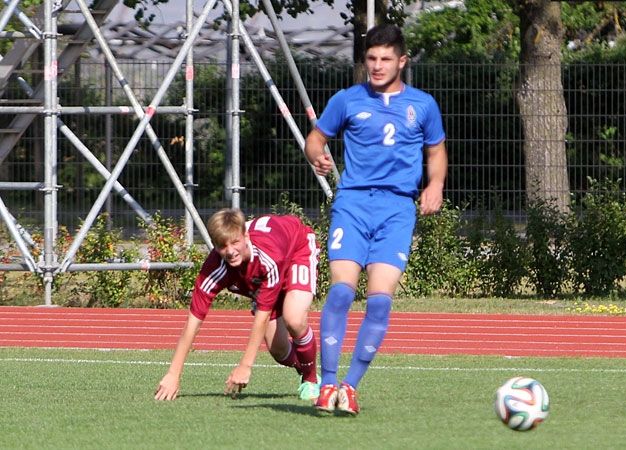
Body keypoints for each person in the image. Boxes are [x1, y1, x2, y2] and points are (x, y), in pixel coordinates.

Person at [304, 24, 448, 415]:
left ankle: (350, 387)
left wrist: (435, 185)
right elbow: (316, 138)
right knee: (341, 292)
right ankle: (327, 381)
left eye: (386, 59)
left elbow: (436, 152)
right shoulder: (348, 100)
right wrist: (314, 154)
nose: (378, 66)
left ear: (402, 61)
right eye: (371, 58)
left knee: (380, 302)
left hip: (397, 209)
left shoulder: (423, 105)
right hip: (352, 204)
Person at [154, 208, 320, 402]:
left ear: (246, 236)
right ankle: (304, 367)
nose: (231, 251)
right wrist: (173, 374)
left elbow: (262, 317)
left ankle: (311, 380)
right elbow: (193, 323)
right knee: (279, 350)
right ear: (214, 246)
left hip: (297, 248)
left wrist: (245, 366)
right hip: (269, 273)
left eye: (235, 242)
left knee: (294, 318)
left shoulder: (268, 258)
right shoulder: (213, 270)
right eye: (222, 246)